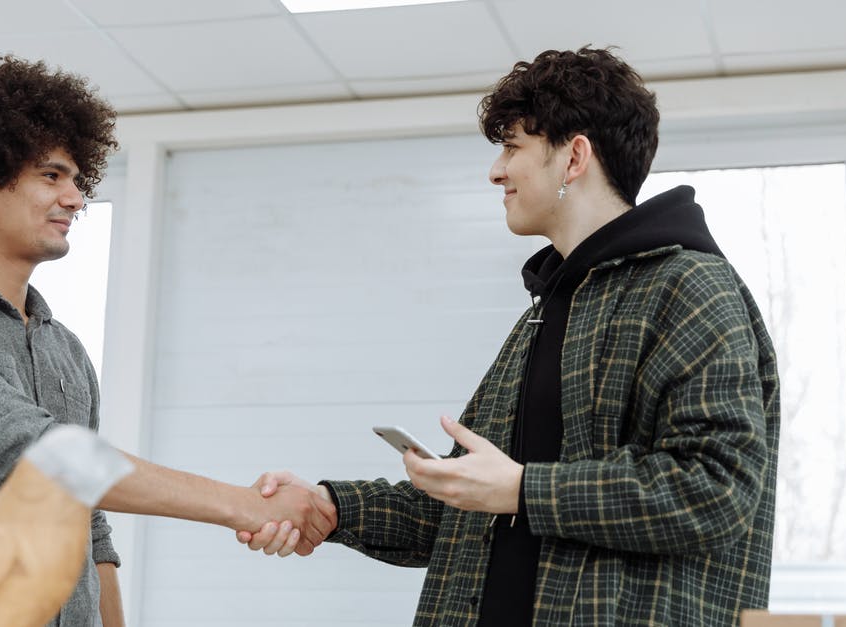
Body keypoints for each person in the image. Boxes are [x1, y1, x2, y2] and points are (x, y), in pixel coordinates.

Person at [240, 46, 781, 626]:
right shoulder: (546, 312)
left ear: (573, 158)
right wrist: (332, 507)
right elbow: (466, 501)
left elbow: (714, 490)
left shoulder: (690, 287)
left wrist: (524, 490)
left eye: (513, 147)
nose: (496, 170)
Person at [0, 55, 335, 627]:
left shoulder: (66, 350)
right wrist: (241, 505)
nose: (76, 198)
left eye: (78, 180)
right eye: (52, 176)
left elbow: (90, 521)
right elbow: (42, 454)